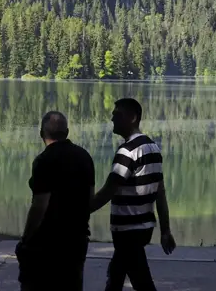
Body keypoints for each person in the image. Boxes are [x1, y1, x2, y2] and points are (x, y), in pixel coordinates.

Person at [91, 98, 176, 291]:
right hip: (144, 228)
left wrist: (80, 211)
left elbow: (108, 191)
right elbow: (160, 194)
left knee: (142, 281)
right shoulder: (153, 147)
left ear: (132, 118)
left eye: (117, 115)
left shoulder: (127, 151)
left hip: (127, 229)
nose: (112, 118)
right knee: (116, 275)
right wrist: (164, 230)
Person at [16, 111, 95, 291]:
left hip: (47, 243)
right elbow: (90, 200)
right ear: (67, 133)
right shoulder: (85, 157)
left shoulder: (43, 161)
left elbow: (39, 206)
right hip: (77, 238)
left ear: (41, 134)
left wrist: (26, 238)